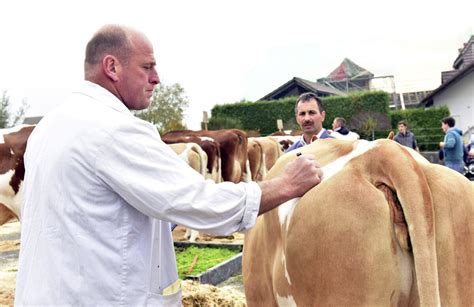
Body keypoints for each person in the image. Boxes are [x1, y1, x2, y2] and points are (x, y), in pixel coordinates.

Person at [14, 25, 323, 306]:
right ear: (112, 67)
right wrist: (286, 185)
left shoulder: (49, 127)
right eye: (147, 67)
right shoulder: (113, 129)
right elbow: (203, 204)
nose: (156, 78)